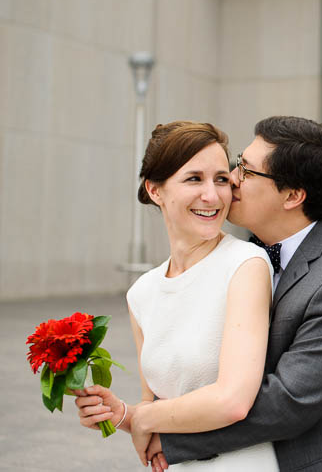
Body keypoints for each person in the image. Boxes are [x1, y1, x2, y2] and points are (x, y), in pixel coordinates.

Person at [76, 116, 322, 472]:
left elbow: (288, 401)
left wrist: (151, 424)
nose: (232, 180)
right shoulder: (240, 255)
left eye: (245, 170)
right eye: (237, 163)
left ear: (292, 196)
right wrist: (128, 415)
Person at [75, 121, 279, 469]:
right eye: (193, 179)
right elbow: (157, 409)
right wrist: (121, 414)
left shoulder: (245, 265)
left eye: (220, 179)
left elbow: (233, 400)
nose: (213, 196)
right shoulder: (142, 292)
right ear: (155, 191)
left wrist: (144, 417)